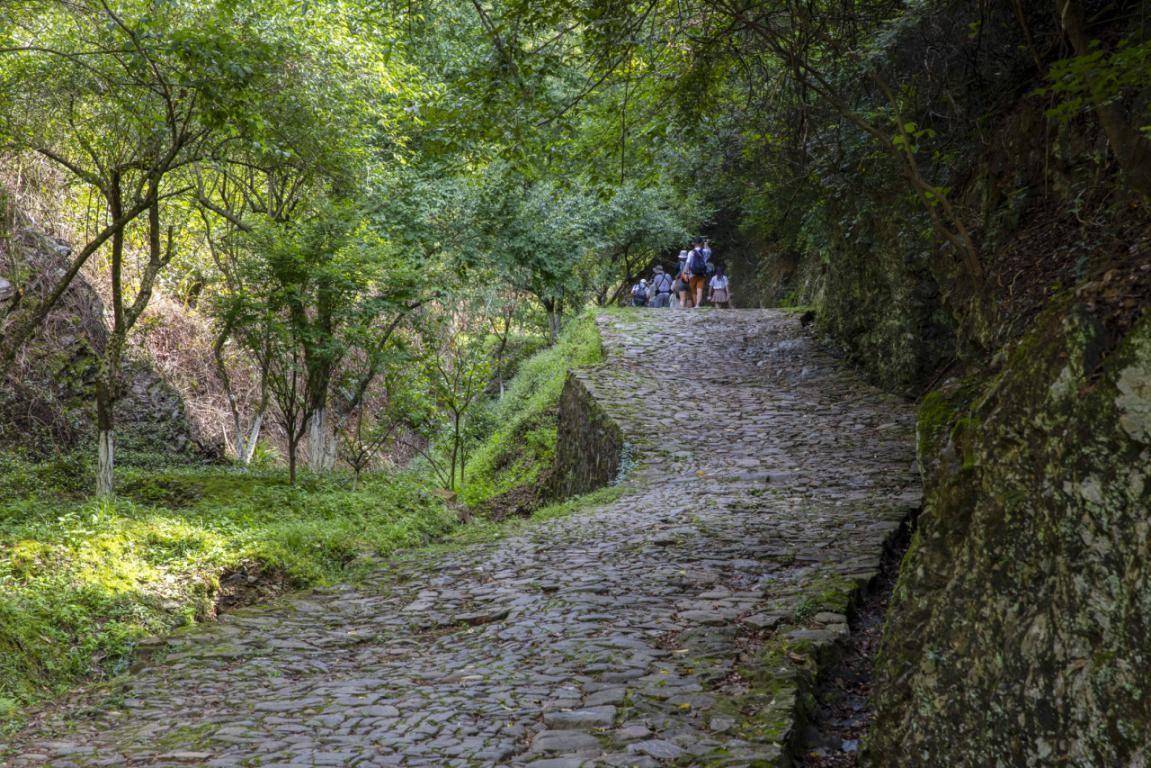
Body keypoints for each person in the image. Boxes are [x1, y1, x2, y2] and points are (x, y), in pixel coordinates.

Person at [683, 238, 708, 308]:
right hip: (702, 274)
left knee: (693, 290)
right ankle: (697, 305)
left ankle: (695, 304)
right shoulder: (705, 252)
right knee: (699, 289)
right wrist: (706, 243)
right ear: (701, 243)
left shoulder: (691, 252)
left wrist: (685, 273)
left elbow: (687, 263)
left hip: (692, 274)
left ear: (694, 244)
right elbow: (707, 251)